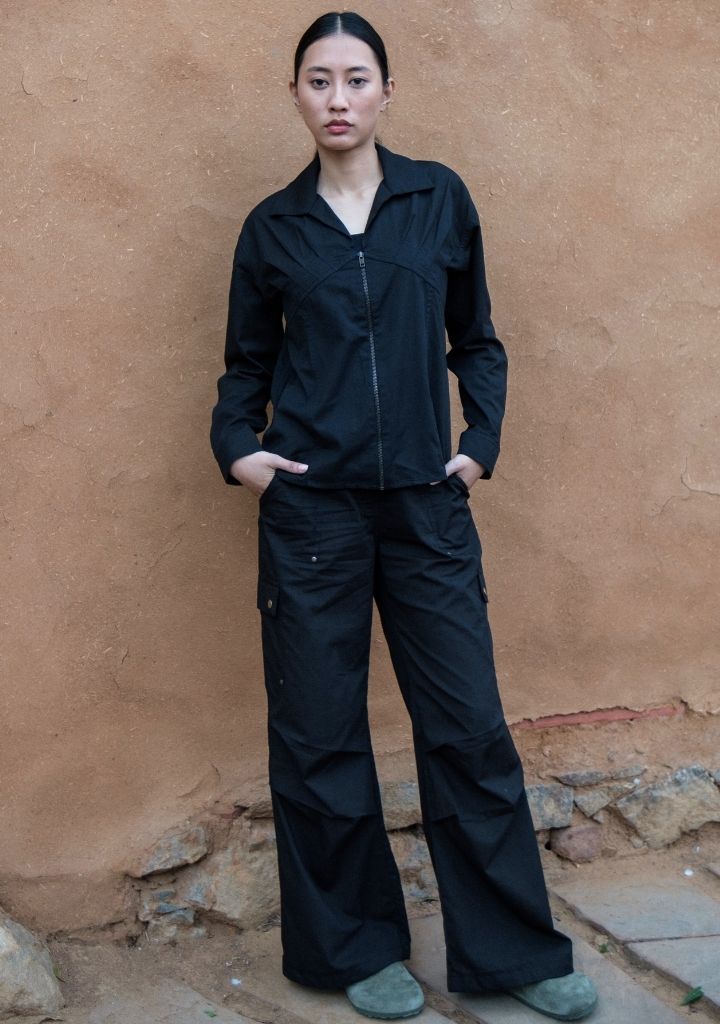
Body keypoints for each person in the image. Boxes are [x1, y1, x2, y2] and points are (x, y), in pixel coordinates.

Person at [210, 11, 598, 1022]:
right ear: (296, 95)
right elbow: (245, 365)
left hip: (427, 511)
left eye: (356, 78)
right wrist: (240, 451)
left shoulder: (438, 200)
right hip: (313, 518)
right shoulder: (274, 227)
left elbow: (478, 338)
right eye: (318, 80)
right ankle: (354, 948)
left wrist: (480, 442)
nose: (338, 98)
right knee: (319, 735)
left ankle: (513, 951)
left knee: (468, 728)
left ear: (387, 91)